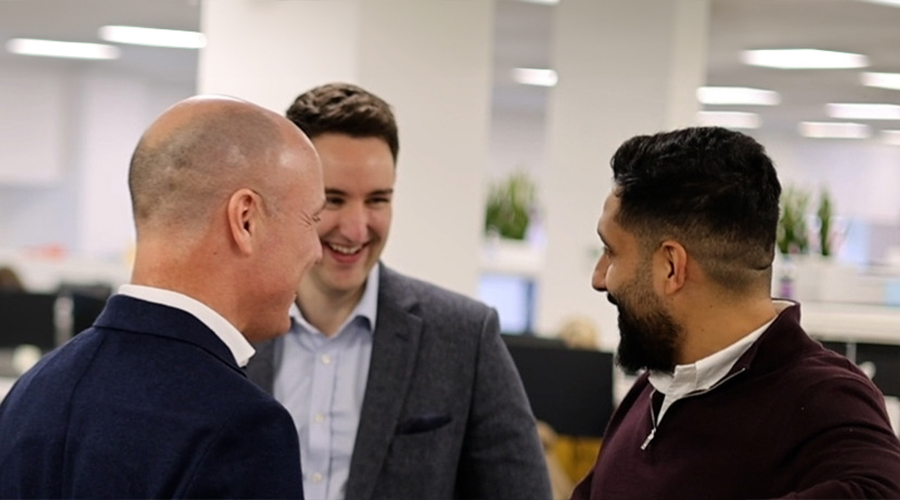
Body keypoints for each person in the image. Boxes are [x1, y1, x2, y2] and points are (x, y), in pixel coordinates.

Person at [0, 95, 325, 498]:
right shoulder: (241, 425)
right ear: (245, 219)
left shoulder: (32, 392)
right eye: (312, 219)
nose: (317, 251)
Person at [246, 82, 551, 500]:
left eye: (377, 200)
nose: (356, 229)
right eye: (332, 200)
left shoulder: (463, 337)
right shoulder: (234, 328)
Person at [572, 126, 900, 499]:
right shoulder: (655, 388)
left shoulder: (823, 399)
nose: (600, 278)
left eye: (610, 251)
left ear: (671, 267)